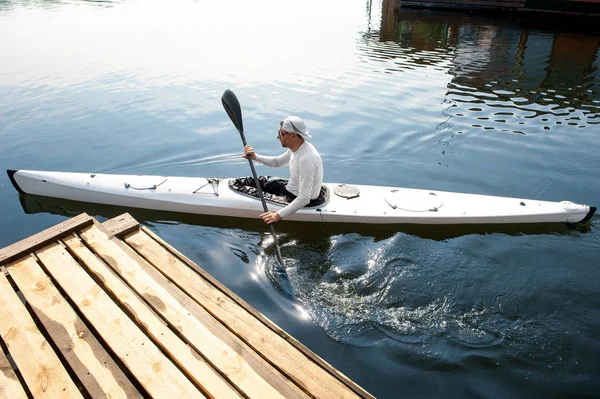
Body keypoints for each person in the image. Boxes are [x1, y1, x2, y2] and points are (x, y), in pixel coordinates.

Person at [243, 116, 323, 225]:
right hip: (290, 190)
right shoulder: (298, 148)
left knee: (248, 192)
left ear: (293, 135)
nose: (277, 136)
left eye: (281, 133)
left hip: (296, 199)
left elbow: (304, 199)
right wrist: (255, 157)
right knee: (253, 181)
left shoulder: (306, 159)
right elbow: (277, 162)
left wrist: (277, 215)